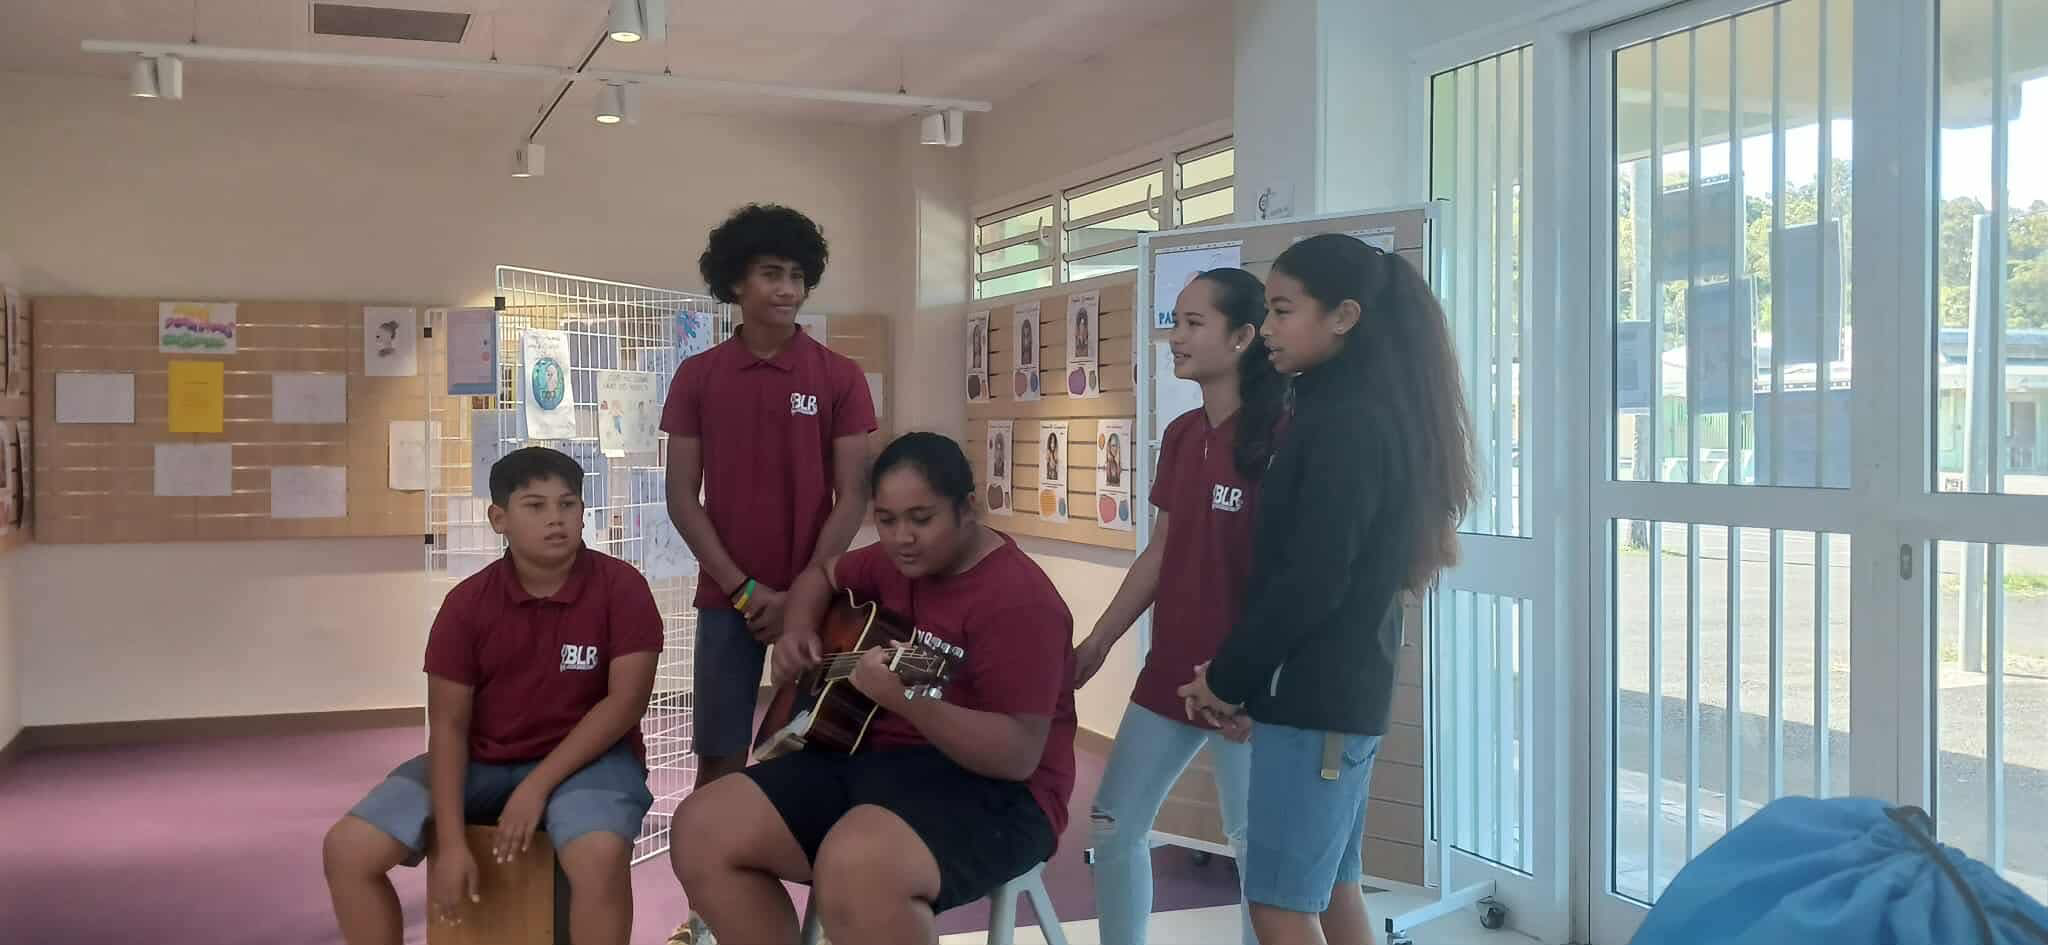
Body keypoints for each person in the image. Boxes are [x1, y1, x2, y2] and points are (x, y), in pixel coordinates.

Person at [1181, 235, 1475, 945]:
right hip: (1328, 698)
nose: (1268, 328)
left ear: (1344, 316)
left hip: (1319, 700)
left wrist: (1229, 678)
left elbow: (1310, 580)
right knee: (1333, 887)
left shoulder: (1347, 423)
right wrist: (1248, 684)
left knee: (1280, 904)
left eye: (1284, 310)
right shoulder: (1344, 410)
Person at [672, 433, 1078, 945]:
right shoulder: (893, 562)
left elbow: (1017, 756)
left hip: (1002, 794)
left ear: (967, 509)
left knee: (857, 866)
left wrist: (904, 699)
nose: (902, 537)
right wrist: (797, 629)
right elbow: (821, 574)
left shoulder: (1020, 601)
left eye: (921, 519)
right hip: (874, 759)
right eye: (886, 520)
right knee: (702, 827)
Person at [322, 447, 663, 945]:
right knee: (347, 850)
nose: (556, 519)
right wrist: (451, 843)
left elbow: (625, 704)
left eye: (568, 504)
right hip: (482, 759)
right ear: (498, 519)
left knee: (599, 856)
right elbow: (449, 727)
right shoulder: (466, 605)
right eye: (535, 506)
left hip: (591, 760)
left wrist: (537, 785)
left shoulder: (622, 588)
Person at [662, 204, 876, 943]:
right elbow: (681, 498)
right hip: (728, 602)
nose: (786, 289)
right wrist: (745, 589)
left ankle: (827, 915)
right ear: (735, 282)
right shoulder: (698, 376)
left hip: (824, 606)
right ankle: (707, 920)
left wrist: (804, 594)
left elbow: (854, 496)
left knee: (814, 756)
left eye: (796, 276)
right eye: (769, 274)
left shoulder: (839, 376)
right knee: (719, 762)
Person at [1073, 268, 1285, 945]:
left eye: (1194, 323)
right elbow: (1162, 550)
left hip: (1246, 682)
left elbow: (1291, 579)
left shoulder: (1283, 437)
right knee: (1112, 821)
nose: (1176, 337)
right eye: (1176, 321)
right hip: (1171, 668)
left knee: (1256, 848)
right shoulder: (1182, 433)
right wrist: (1099, 641)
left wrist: (1256, 680)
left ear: (1243, 337)